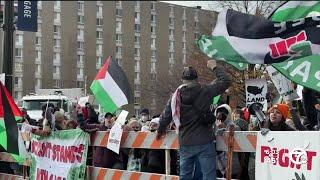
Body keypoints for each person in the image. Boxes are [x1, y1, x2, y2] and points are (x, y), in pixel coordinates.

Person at [157, 60, 231, 180]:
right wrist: (214, 67)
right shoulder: (206, 90)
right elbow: (226, 81)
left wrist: (160, 131)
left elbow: (166, 117)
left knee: (185, 176)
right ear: (196, 79)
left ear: (182, 80)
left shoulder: (176, 96)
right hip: (205, 141)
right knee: (208, 176)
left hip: (186, 142)